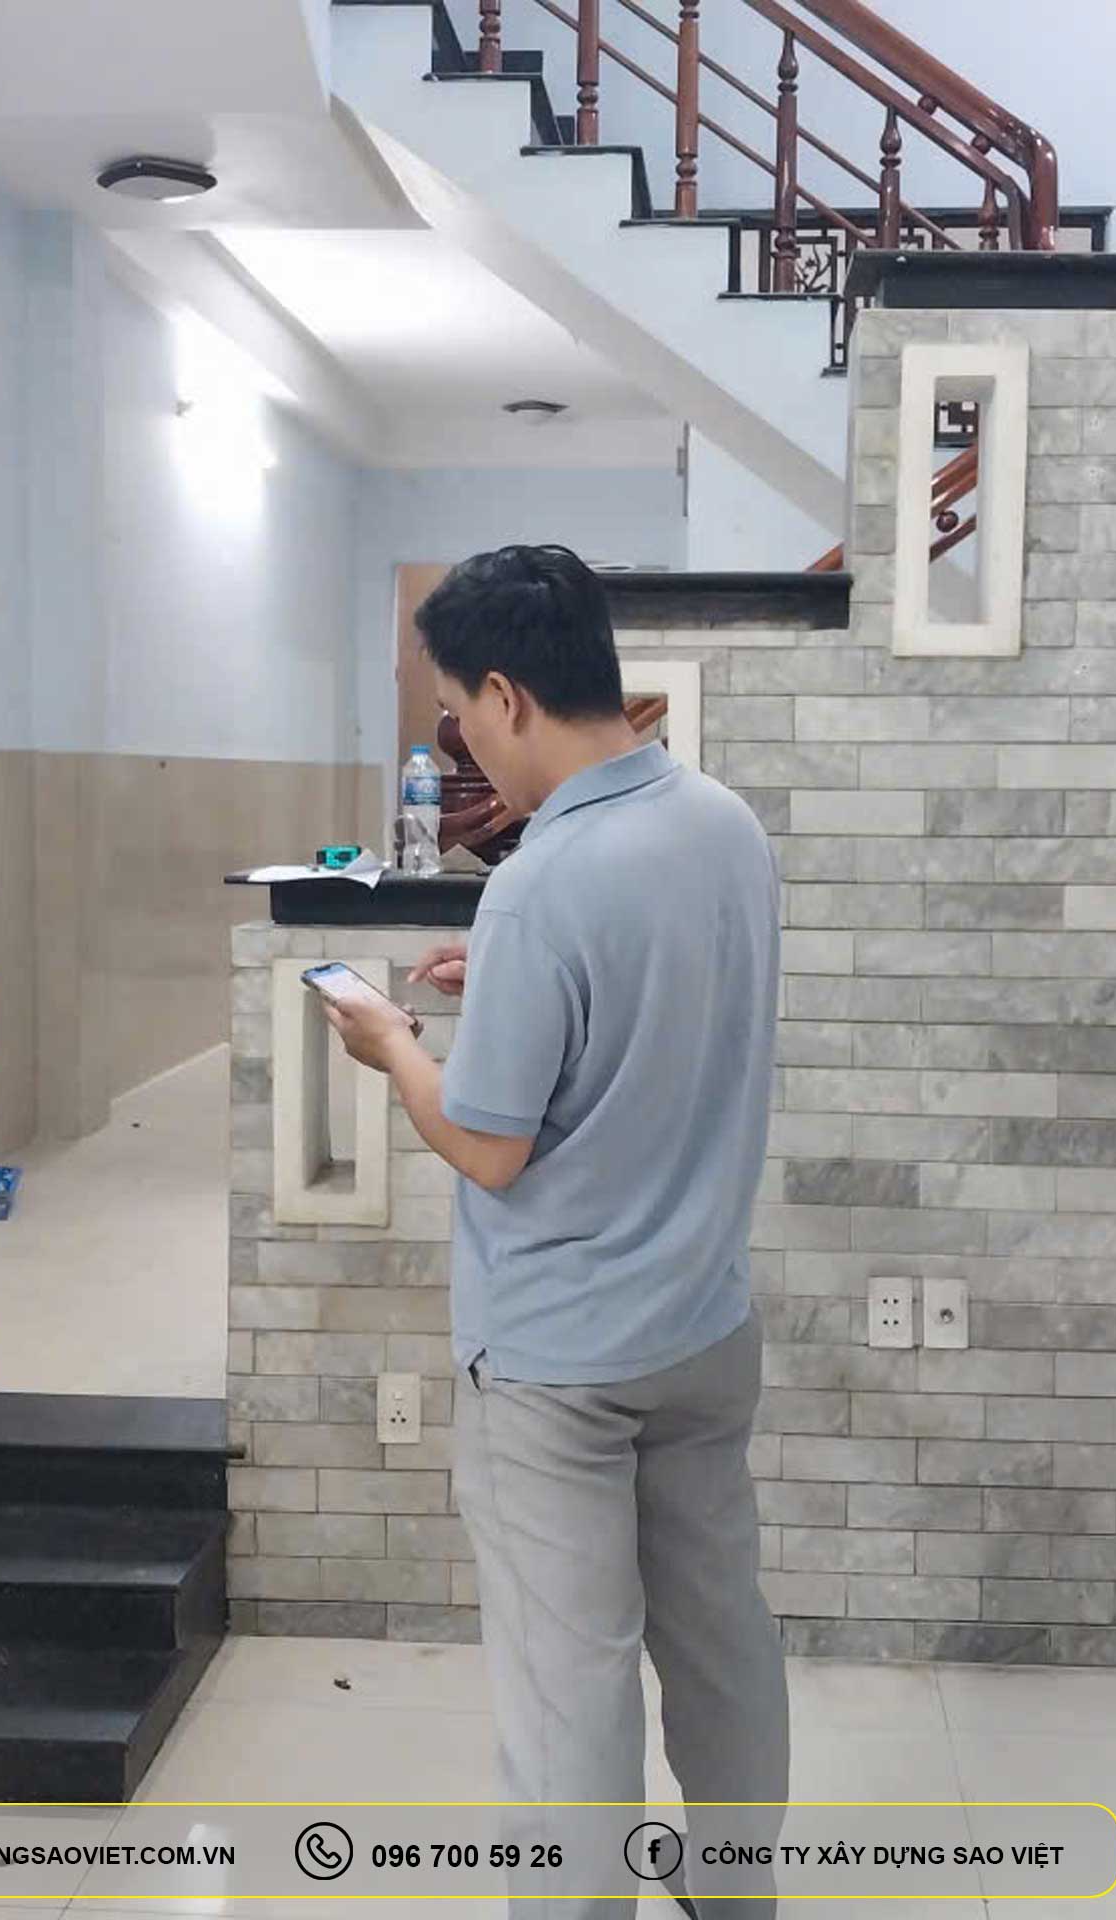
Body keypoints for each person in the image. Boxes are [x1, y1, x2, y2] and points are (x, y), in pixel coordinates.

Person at [323, 546, 789, 1918]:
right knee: (720, 1638)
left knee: (569, 1681)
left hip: (558, 1366)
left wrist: (395, 1045)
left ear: (509, 696)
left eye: (458, 712)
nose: (459, 741)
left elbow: (488, 1145)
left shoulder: (545, 880)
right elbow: (662, 1001)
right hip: (703, 1329)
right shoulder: (722, 824)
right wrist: (508, 976)